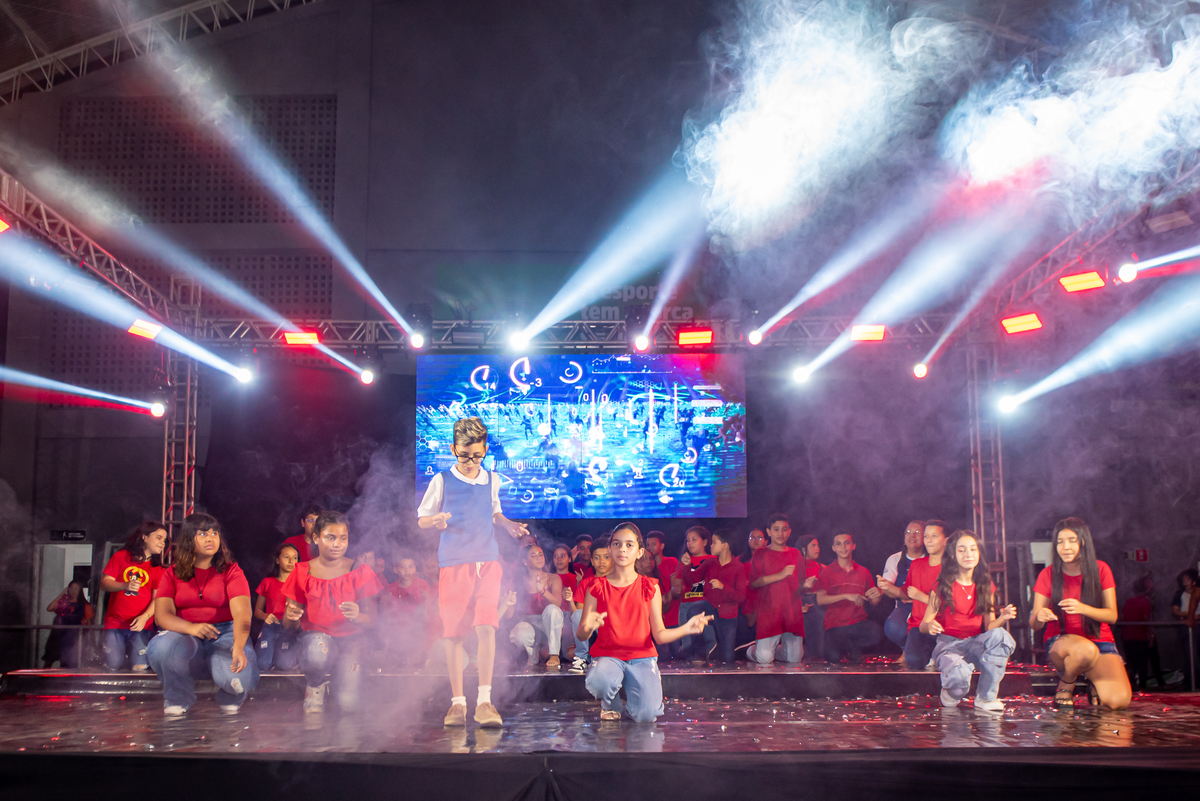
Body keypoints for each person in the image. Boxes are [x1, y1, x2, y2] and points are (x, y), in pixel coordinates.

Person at [417, 416, 529, 728]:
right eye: (464, 455)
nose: (470, 462)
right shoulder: (442, 480)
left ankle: (484, 701)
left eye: (476, 456)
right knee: (454, 633)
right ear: (453, 448)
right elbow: (422, 518)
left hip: (488, 562)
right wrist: (436, 520)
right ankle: (457, 703)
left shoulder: (492, 479)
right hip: (454, 564)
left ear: (485, 450)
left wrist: (509, 525)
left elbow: (495, 512)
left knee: (486, 627)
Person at [578, 523, 713, 722]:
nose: (622, 549)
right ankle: (611, 702)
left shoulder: (649, 587)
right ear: (610, 549)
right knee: (599, 680)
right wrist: (587, 627)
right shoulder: (596, 587)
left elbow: (659, 634)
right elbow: (581, 634)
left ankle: (635, 703)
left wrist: (686, 628)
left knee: (646, 715)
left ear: (640, 551)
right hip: (608, 656)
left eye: (629, 545)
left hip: (642, 657)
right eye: (617, 544)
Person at [147, 513, 259, 716]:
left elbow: (243, 614)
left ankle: (230, 694)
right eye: (203, 534)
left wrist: (239, 646)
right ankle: (178, 698)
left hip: (225, 632)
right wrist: (192, 628)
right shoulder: (172, 573)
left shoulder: (231, 571)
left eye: (215, 533)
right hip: (186, 633)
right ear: (189, 539)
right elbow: (162, 616)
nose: (211, 538)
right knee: (162, 647)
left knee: (238, 678)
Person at [282, 510, 385, 713]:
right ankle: (315, 685)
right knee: (318, 652)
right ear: (316, 538)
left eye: (343, 538)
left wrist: (358, 616)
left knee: (348, 703)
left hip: (351, 640)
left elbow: (372, 620)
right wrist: (291, 616)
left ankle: (341, 681)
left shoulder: (360, 571)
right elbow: (289, 624)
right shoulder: (302, 571)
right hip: (317, 640)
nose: (337, 544)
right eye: (330, 538)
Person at [1030, 517, 1131, 710]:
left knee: (1118, 701)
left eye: (1072, 540)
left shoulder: (1101, 569)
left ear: (1083, 542)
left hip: (1100, 640)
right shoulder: (1048, 574)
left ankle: (1091, 680)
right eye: (1060, 542)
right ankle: (1066, 684)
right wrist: (1039, 616)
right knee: (1085, 651)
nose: (1065, 547)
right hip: (1062, 642)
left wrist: (1082, 608)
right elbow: (1033, 623)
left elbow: (1112, 616)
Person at [919, 529, 1016, 712]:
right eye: (961, 550)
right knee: (959, 683)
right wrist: (929, 625)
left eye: (973, 549)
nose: (968, 554)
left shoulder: (984, 585)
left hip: (975, 644)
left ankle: (986, 698)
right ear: (953, 555)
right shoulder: (942, 586)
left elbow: (990, 627)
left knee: (1001, 637)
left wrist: (1003, 617)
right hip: (949, 646)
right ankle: (951, 689)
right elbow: (923, 625)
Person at [100, 521, 168, 671]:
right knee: (113, 665)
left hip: (142, 625)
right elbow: (104, 583)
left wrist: (145, 617)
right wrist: (124, 585)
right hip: (115, 623)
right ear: (144, 537)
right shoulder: (121, 556)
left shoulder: (158, 568)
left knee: (140, 666)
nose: (162, 543)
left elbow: (157, 599)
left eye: (164, 540)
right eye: (158, 538)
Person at [681, 529, 747, 664]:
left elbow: (741, 596)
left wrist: (723, 587)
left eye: (714, 542)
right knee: (694, 609)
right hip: (710, 606)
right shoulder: (710, 563)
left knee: (727, 658)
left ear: (725, 545)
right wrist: (687, 566)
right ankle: (699, 651)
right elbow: (692, 581)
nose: (711, 545)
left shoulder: (738, 567)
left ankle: (717, 654)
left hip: (727, 614)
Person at [746, 514, 805, 664]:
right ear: (769, 531)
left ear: (789, 532)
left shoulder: (796, 553)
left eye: (784, 529)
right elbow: (754, 582)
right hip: (769, 612)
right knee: (764, 658)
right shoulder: (761, 553)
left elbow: (801, 583)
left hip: (791, 612)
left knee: (794, 658)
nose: (781, 533)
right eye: (776, 529)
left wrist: (807, 586)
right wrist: (780, 575)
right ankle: (751, 650)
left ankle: (776, 651)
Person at [816, 532, 882, 663]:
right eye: (838, 544)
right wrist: (846, 596)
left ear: (853, 545)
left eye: (847, 543)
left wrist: (878, 594)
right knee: (833, 658)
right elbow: (820, 599)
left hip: (856, 623)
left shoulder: (863, 571)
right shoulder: (827, 571)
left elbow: (873, 602)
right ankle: (849, 646)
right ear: (833, 548)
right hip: (834, 625)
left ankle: (851, 645)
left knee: (877, 633)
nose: (843, 547)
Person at [894, 520, 948, 669]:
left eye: (934, 536)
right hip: (919, 625)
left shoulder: (951, 568)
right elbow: (906, 592)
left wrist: (921, 597)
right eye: (926, 536)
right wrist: (885, 588)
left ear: (945, 540)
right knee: (913, 660)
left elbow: (954, 603)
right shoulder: (916, 564)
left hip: (944, 626)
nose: (929, 540)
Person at [509, 543, 565, 669]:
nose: (539, 558)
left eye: (541, 555)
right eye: (533, 556)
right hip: (530, 626)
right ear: (525, 561)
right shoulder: (519, 581)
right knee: (520, 632)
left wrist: (544, 592)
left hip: (549, 626)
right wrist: (509, 603)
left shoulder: (553, 578)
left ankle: (554, 654)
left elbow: (558, 603)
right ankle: (532, 655)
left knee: (552, 610)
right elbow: (510, 615)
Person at [877, 520, 926, 652]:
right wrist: (901, 593)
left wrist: (915, 597)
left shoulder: (932, 559)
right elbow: (886, 589)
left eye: (917, 532)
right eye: (908, 532)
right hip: (904, 608)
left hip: (927, 608)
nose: (912, 536)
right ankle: (907, 649)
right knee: (893, 627)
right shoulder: (895, 559)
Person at [567, 538, 612, 674]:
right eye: (597, 558)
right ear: (592, 561)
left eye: (606, 557)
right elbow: (580, 614)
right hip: (592, 626)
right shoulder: (586, 583)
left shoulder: (618, 581)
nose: (602, 561)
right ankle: (582, 658)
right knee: (577, 614)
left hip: (612, 626)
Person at [254, 543, 300, 671]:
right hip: (271, 625)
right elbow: (257, 611)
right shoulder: (267, 582)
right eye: (286, 557)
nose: (291, 561)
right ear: (277, 560)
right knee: (262, 663)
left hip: (289, 626)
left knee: (285, 665)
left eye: (294, 558)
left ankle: (287, 657)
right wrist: (265, 616)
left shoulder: (300, 584)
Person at [382, 552, 434, 667]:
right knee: (396, 664)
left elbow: (428, 613)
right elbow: (387, 617)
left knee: (416, 664)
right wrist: (384, 604)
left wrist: (427, 600)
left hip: (417, 632)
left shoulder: (422, 585)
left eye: (410, 566)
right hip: (398, 634)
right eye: (403, 567)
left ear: (415, 568)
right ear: (396, 569)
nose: (407, 571)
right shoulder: (391, 588)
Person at [675, 526, 715, 663]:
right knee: (687, 640)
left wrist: (693, 586)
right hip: (686, 605)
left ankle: (710, 669)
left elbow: (707, 583)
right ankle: (689, 668)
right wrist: (676, 588)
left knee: (708, 639)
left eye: (694, 539)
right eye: (687, 540)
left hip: (705, 606)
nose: (690, 543)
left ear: (705, 542)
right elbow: (678, 583)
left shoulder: (712, 559)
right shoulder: (684, 560)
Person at [1122, 574, 1167, 690]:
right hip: (1140, 636)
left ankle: (1130, 685)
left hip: (1128, 636)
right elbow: (1146, 620)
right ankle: (1144, 686)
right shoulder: (1144, 601)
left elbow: (1123, 617)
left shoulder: (1129, 601)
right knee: (1142, 663)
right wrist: (1151, 636)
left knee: (1132, 663)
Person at [42, 581, 94, 668]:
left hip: (75, 638)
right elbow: (49, 608)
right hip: (58, 636)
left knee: (71, 663)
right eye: (71, 588)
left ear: (80, 590)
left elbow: (89, 625)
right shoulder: (63, 603)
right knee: (49, 660)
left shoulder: (85, 606)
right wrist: (61, 595)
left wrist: (90, 641)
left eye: (77, 588)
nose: (74, 591)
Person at [796, 535, 824, 658]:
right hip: (801, 602)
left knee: (820, 641)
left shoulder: (822, 567)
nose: (817, 548)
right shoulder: (796, 568)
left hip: (818, 602)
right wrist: (804, 586)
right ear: (803, 549)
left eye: (817, 545)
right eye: (813, 545)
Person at [551, 544, 578, 659]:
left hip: (570, 620)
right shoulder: (548, 578)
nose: (559, 559)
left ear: (569, 559)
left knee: (571, 654)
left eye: (563, 556)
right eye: (556, 556)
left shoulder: (576, 579)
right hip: (553, 620)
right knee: (545, 653)